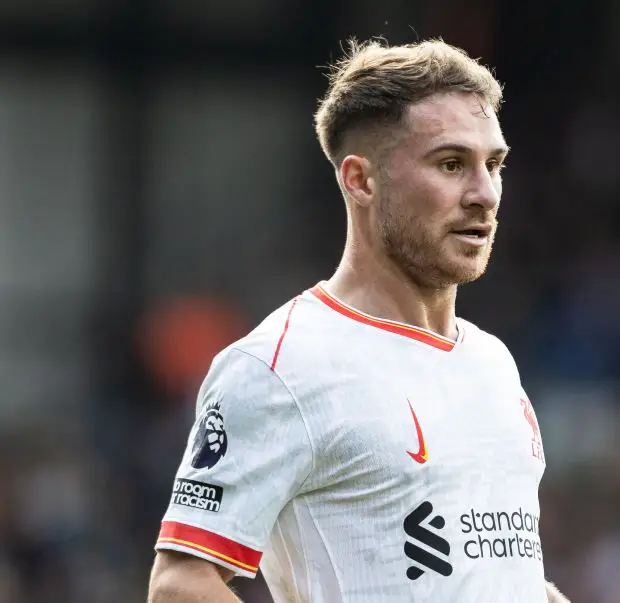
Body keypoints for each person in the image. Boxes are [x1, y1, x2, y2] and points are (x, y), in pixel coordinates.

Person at [145, 38, 570, 603]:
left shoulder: (492, 360)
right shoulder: (280, 365)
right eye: (451, 164)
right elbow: (180, 585)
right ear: (360, 181)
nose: (485, 193)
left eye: (494, 164)